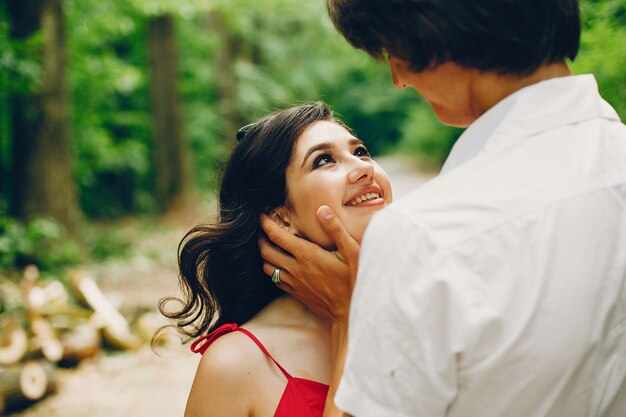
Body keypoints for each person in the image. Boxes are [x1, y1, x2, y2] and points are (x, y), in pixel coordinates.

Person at [259, 1, 626, 416]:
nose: (398, 78)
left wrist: (349, 317)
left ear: (430, 33)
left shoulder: (426, 236)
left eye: (391, 51)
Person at [158, 102, 393, 417]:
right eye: (324, 160)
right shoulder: (235, 365)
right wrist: (348, 319)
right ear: (280, 219)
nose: (364, 167)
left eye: (361, 152)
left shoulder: (424, 310)